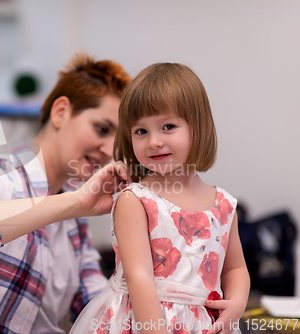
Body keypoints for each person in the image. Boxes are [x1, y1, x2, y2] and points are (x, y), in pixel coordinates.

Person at [0, 53, 132, 334]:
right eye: (102, 128)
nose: (109, 150)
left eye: (119, 141)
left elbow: (94, 306)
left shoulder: (75, 219)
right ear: (61, 111)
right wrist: (74, 202)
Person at [69, 63, 250, 334]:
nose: (153, 141)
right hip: (144, 323)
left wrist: (236, 304)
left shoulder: (224, 204)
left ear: (198, 128)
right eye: (141, 131)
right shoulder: (136, 199)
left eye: (168, 126)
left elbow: (235, 268)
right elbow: (139, 277)